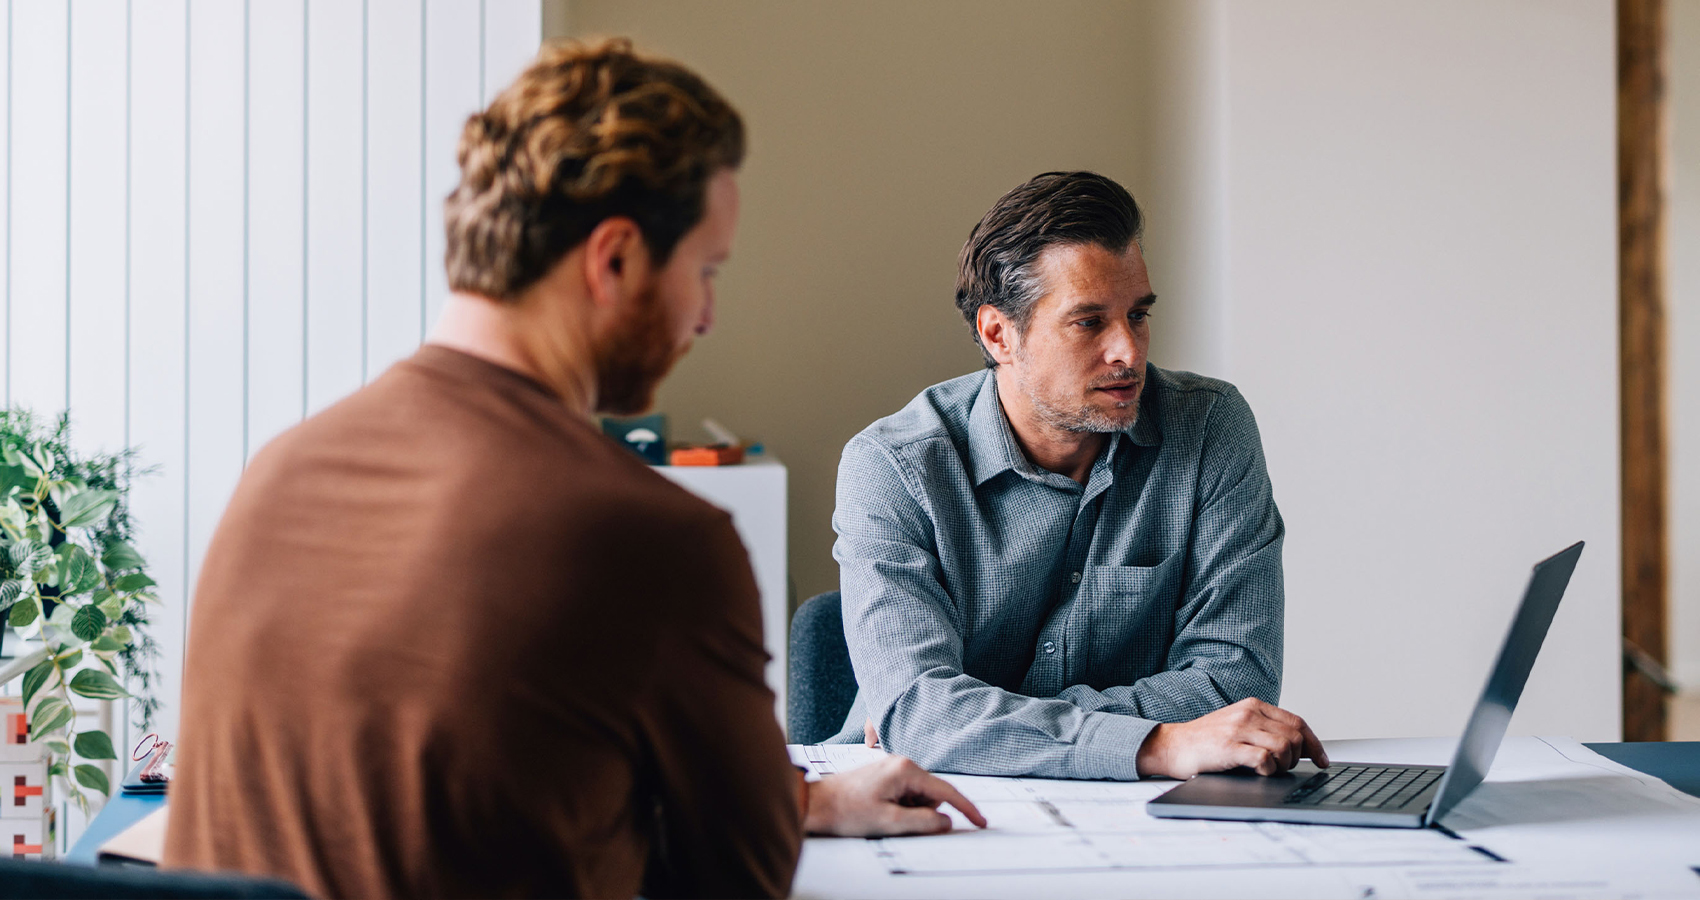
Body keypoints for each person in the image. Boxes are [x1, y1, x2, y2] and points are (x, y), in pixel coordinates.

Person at [164, 38, 983, 900]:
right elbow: (737, 881)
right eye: (704, 271)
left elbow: (454, 784)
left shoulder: (280, 472)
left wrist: (801, 799)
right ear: (617, 258)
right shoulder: (654, 537)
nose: (705, 314)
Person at [831, 171, 1329, 782]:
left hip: (1139, 812)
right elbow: (922, 715)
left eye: (1138, 315)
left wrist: (979, 724)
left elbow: (1235, 681)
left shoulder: (1209, 429)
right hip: (929, 796)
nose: (1129, 351)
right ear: (998, 334)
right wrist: (1155, 743)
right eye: (1089, 322)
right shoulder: (893, 467)